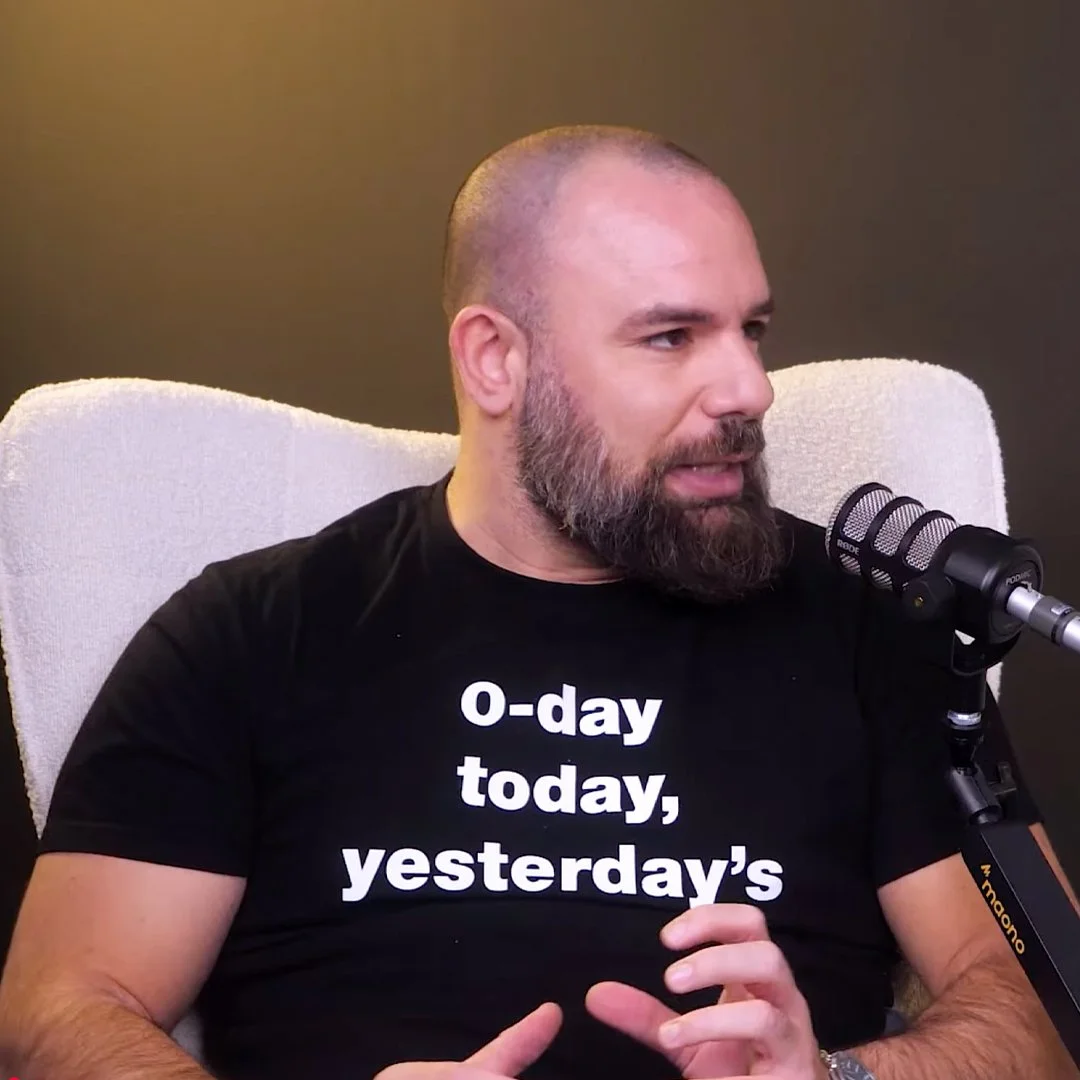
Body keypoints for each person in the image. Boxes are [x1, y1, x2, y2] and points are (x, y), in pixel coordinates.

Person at [0, 124, 1074, 1080]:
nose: (749, 389)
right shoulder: (250, 633)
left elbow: (1044, 1006)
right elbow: (56, 1015)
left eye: (751, 329)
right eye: (671, 336)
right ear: (495, 360)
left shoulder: (870, 628)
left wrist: (839, 1079)